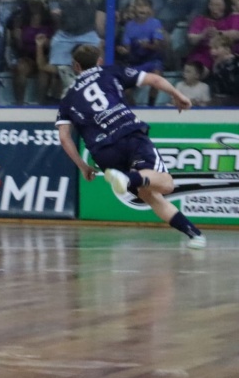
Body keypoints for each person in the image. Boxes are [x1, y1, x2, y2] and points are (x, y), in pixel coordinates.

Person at [56, 44, 206, 249]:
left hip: (102, 151)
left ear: (76, 66)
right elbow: (154, 79)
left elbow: (64, 137)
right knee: (166, 184)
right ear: (99, 61)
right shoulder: (111, 71)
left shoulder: (67, 98)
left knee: (148, 194)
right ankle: (129, 178)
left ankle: (195, 235)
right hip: (128, 133)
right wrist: (178, 95)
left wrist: (83, 166)